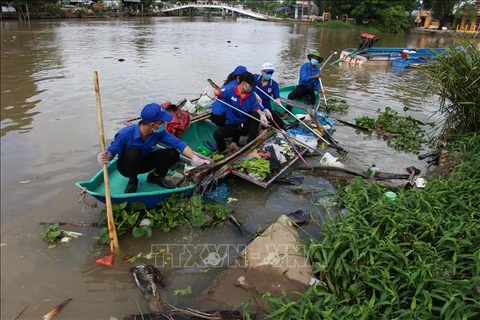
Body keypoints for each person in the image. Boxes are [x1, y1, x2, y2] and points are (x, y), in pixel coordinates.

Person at [97, 103, 210, 194]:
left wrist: (194, 158)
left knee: (173, 153)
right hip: (127, 167)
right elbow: (112, 151)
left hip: (143, 163)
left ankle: (155, 177)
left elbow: (179, 144)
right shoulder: (125, 134)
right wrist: (105, 157)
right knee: (133, 152)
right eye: (162, 122)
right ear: (151, 125)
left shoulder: (158, 133)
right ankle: (133, 181)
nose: (164, 124)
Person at [212, 71, 272, 153]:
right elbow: (219, 92)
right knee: (217, 134)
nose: (251, 87)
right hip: (232, 125)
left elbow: (256, 108)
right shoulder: (231, 91)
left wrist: (262, 115)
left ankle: (250, 143)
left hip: (244, 125)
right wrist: (211, 91)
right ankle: (224, 150)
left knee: (255, 114)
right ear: (244, 84)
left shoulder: (251, 95)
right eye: (250, 85)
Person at [286, 51, 324, 115]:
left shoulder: (317, 70)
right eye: (314, 58)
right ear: (311, 58)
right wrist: (315, 76)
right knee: (290, 95)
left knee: (310, 86)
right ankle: (287, 113)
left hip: (310, 90)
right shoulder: (304, 66)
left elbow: (317, 82)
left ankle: (313, 104)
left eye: (316, 59)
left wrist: (319, 88)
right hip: (302, 87)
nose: (315, 60)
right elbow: (304, 78)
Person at [253, 62, 285, 129]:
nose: (269, 75)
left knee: (280, 124)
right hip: (254, 106)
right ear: (262, 71)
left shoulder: (274, 84)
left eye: (271, 73)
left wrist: (277, 100)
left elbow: (277, 97)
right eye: (267, 73)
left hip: (266, 108)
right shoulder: (254, 78)